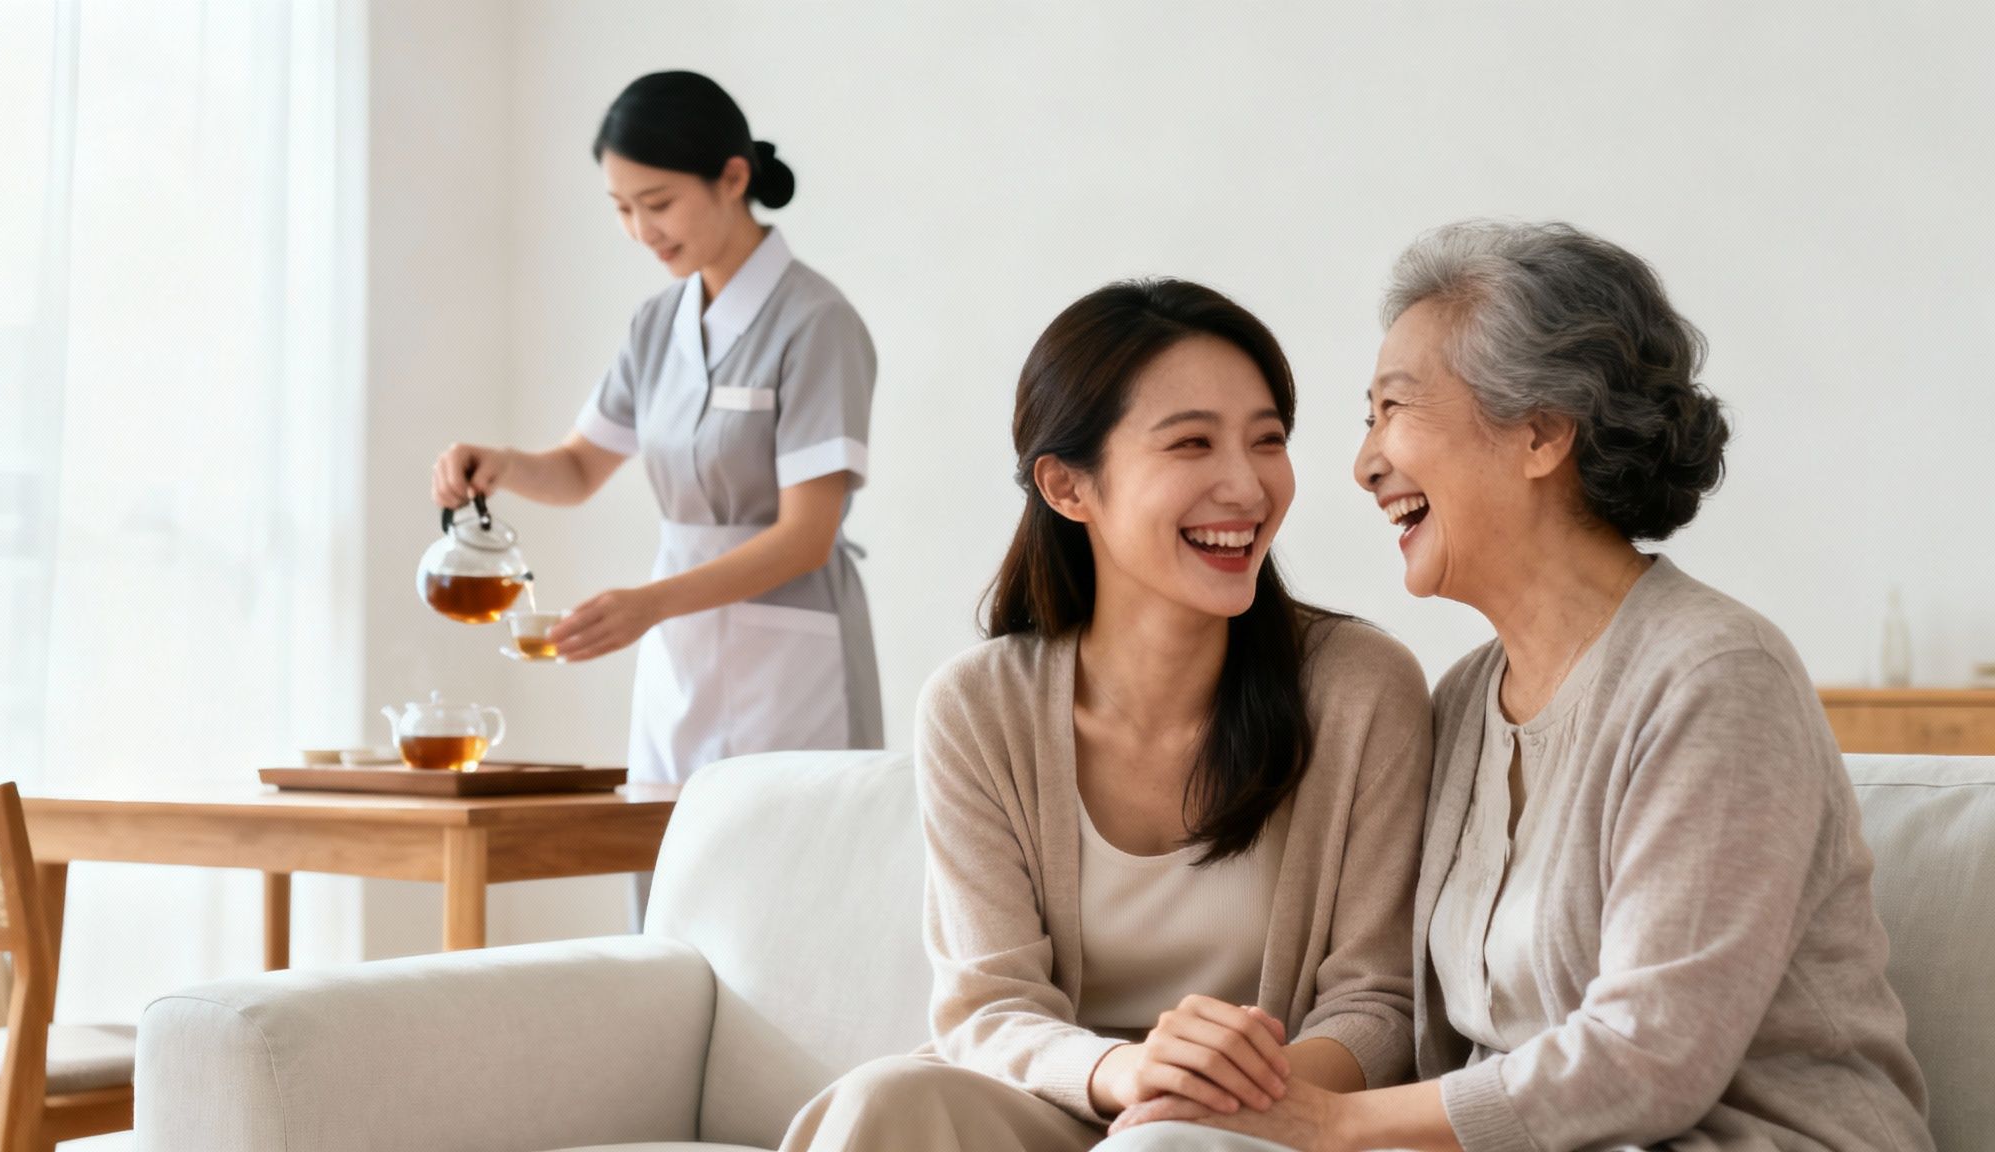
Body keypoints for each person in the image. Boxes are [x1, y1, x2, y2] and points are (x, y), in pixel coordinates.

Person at [1107, 221, 1933, 1151]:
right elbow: (1441, 1049)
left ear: (1539, 432)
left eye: (1394, 409)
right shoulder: (1464, 702)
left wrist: (1330, 1122)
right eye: (1367, 418)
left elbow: (1649, 1058)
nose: (1365, 462)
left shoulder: (1715, 676)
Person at [781, 279, 1432, 1151]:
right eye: (1192, 443)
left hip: (1265, 1122)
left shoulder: (1360, 687)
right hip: (1067, 1102)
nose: (1246, 485)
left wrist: (1219, 1098)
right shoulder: (979, 708)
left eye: (1267, 439)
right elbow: (990, 1003)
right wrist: (1123, 1075)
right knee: (884, 1101)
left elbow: (1378, 1001)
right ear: (1067, 486)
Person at [431, 72, 882, 808]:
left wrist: (649, 605)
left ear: (733, 178)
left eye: (659, 203)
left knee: (792, 880)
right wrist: (503, 465)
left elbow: (807, 536)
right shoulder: (657, 324)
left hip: (789, 661)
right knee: (668, 880)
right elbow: (578, 469)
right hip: (680, 654)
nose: (643, 231)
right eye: (622, 209)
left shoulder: (815, 322)